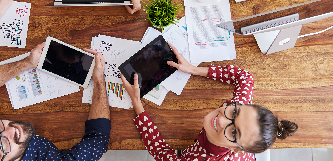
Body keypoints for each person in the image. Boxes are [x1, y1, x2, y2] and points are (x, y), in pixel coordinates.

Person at [120, 44, 298, 160]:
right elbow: (245, 78)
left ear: (237, 150)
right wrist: (193, 69)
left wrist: (137, 103)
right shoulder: (237, 103)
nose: (221, 120)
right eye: (234, 113)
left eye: (234, 133)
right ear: (242, 105)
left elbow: (162, 154)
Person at [0, 42, 111, 161]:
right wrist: (99, 80)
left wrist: (27, 63)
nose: (12, 130)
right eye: (2, 146)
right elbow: (97, 140)